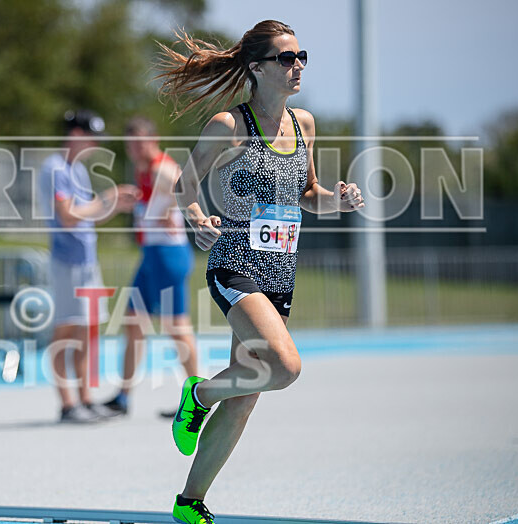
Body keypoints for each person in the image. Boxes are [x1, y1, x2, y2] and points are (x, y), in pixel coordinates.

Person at [156, 22, 365, 523]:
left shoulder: (305, 124)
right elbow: (183, 187)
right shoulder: (230, 126)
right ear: (256, 68)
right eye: (286, 58)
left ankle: (189, 503)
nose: (297, 66)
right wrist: (196, 218)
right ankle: (199, 393)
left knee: (247, 395)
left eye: (301, 57)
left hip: (279, 278)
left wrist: (338, 200)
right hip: (235, 266)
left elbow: (308, 193)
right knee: (284, 368)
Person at [39, 109, 138, 423]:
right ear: (78, 135)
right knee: (66, 332)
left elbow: (89, 214)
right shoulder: (54, 168)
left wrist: (113, 203)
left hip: (86, 260)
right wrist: (107, 197)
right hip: (67, 261)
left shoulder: (77, 170)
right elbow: (68, 216)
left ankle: (84, 399)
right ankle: (68, 405)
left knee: (86, 332)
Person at [102, 116, 197, 417]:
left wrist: (176, 206)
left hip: (168, 257)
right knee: (133, 323)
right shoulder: (142, 170)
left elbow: (185, 185)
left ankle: (198, 401)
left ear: (152, 140)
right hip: (151, 256)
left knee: (177, 329)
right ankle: (123, 397)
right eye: (129, 143)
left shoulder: (159, 168)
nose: (133, 148)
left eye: (138, 142)